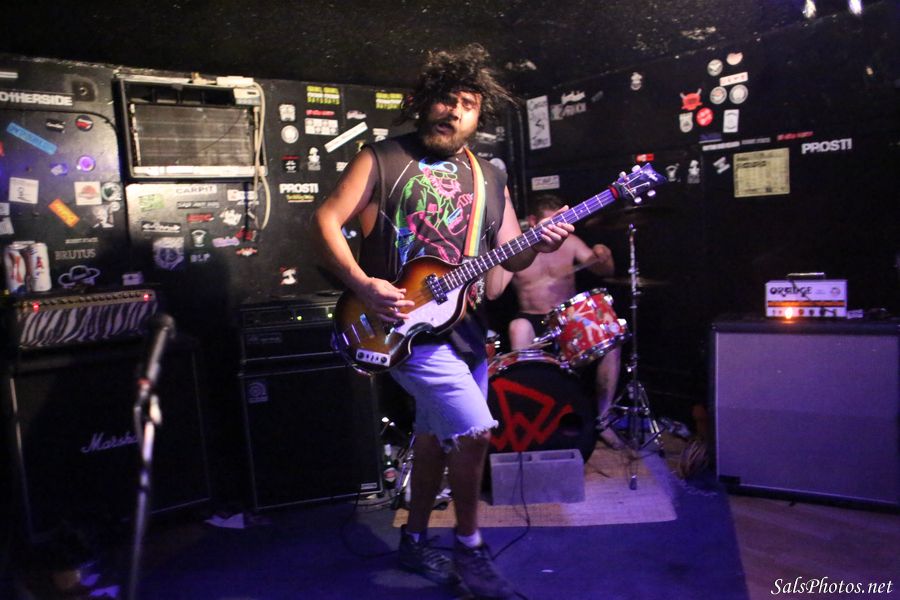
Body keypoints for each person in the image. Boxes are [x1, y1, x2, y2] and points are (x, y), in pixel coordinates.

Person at [314, 44, 572, 599]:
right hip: (398, 325)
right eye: (445, 99)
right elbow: (327, 220)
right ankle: (470, 549)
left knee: (434, 439)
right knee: (475, 430)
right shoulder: (381, 158)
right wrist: (363, 284)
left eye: (468, 104)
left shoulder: (489, 177)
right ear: (423, 102)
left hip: (465, 328)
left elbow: (514, 255)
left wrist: (540, 242)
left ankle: (414, 541)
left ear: (478, 116)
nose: (454, 111)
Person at [487, 193, 624, 449]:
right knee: (517, 327)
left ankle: (603, 419)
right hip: (531, 318)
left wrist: (604, 256)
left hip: (567, 318)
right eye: (551, 223)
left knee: (611, 343)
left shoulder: (570, 241)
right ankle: (530, 415)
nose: (557, 229)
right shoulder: (518, 246)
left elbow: (604, 270)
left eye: (561, 222)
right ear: (533, 221)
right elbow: (493, 291)